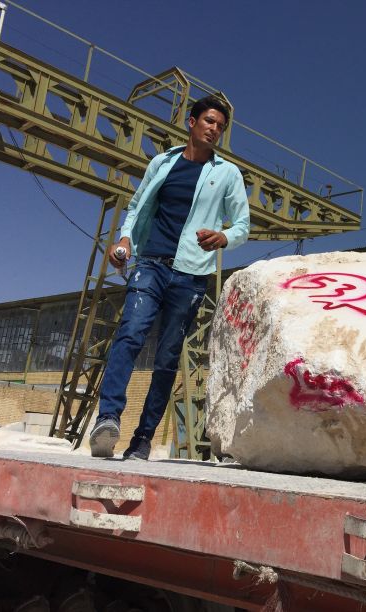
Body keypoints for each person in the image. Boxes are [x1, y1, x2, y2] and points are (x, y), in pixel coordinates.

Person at [89, 95, 250, 460]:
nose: (214, 129)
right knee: (130, 333)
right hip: (151, 263)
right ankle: (108, 418)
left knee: (166, 358)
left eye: (220, 126)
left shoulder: (227, 174)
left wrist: (224, 237)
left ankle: (142, 439)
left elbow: (242, 224)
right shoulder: (162, 163)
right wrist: (126, 240)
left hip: (191, 276)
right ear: (191, 122)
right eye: (209, 121)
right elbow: (136, 206)